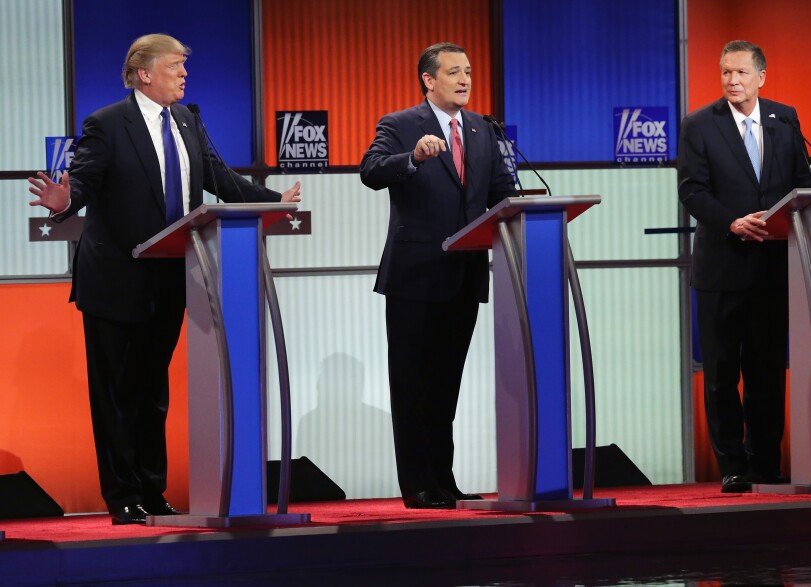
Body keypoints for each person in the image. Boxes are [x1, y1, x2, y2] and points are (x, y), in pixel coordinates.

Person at [27, 34, 302, 524]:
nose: (184, 74)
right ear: (144, 72)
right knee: (117, 394)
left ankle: (152, 491)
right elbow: (84, 182)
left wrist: (269, 199)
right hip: (115, 281)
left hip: (170, 277)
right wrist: (65, 201)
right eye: (175, 66)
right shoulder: (107, 123)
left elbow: (219, 178)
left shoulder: (188, 121)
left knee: (153, 392)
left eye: (184, 67)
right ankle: (123, 496)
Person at [360, 42, 516, 509]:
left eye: (468, 71)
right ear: (429, 80)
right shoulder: (401, 124)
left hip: (464, 275)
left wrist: (524, 208)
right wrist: (414, 159)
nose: (465, 79)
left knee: (446, 386)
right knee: (412, 386)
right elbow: (371, 171)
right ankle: (419, 486)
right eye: (454, 72)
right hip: (415, 275)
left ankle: (444, 482)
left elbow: (502, 193)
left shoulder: (484, 129)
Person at [678, 40, 811, 493]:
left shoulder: (784, 119)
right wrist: (731, 222)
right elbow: (692, 190)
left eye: (740, 73)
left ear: (762, 76)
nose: (732, 81)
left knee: (766, 371)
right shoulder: (699, 125)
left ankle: (766, 464)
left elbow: (803, 180)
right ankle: (733, 467)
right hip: (723, 267)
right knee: (722, 374)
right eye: (725, 73)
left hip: (774, 268)